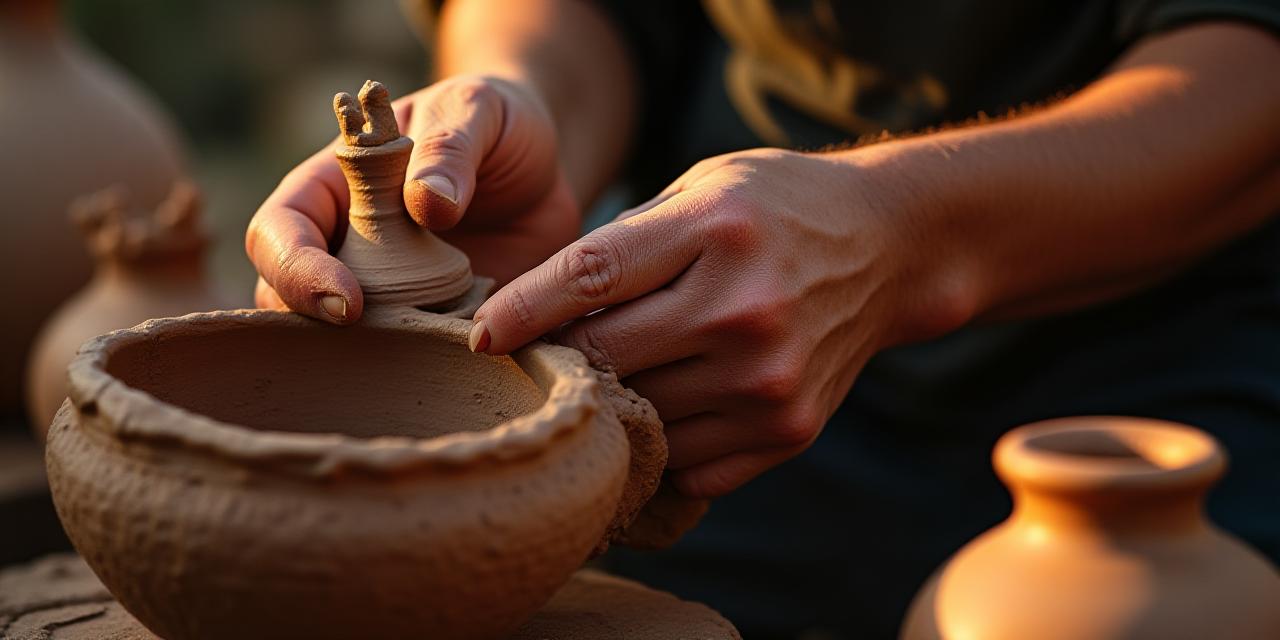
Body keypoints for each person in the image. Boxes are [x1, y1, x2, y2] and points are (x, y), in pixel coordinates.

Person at [246, 1, 1280, 636]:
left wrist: (901, 235)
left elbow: (1250, 60)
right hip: (716, 339)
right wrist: (523, 106)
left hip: (1166, 355)